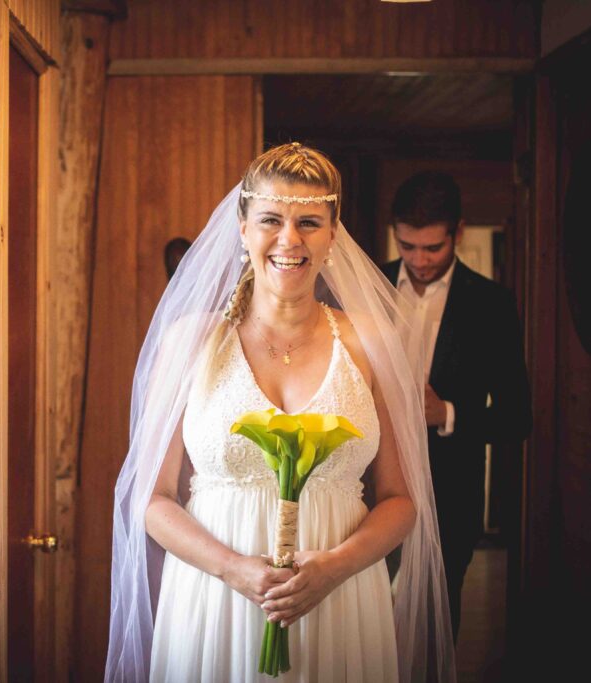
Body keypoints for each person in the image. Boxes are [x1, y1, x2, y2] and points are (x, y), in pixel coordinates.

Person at [106, 143, 456, 682]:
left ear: (333, 235)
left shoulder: (373, 341)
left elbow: (401, 501)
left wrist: (334, 567)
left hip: (342, 600)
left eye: (309, 222)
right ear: (242, 229)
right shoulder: (192, 341)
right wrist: (236, 570)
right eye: (271, 219)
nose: (289, 239)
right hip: (214, 600)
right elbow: (153, 500)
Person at [383, 171, 532, 641]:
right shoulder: (370, 286)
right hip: (367, 489)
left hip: (450, 496)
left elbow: (517, 417)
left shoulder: (493, 305)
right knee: (368, 624)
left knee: (434, 626)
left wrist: (445, 414)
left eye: (433, 248)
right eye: (408, 247)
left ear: (458, 233)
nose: (419, 260)